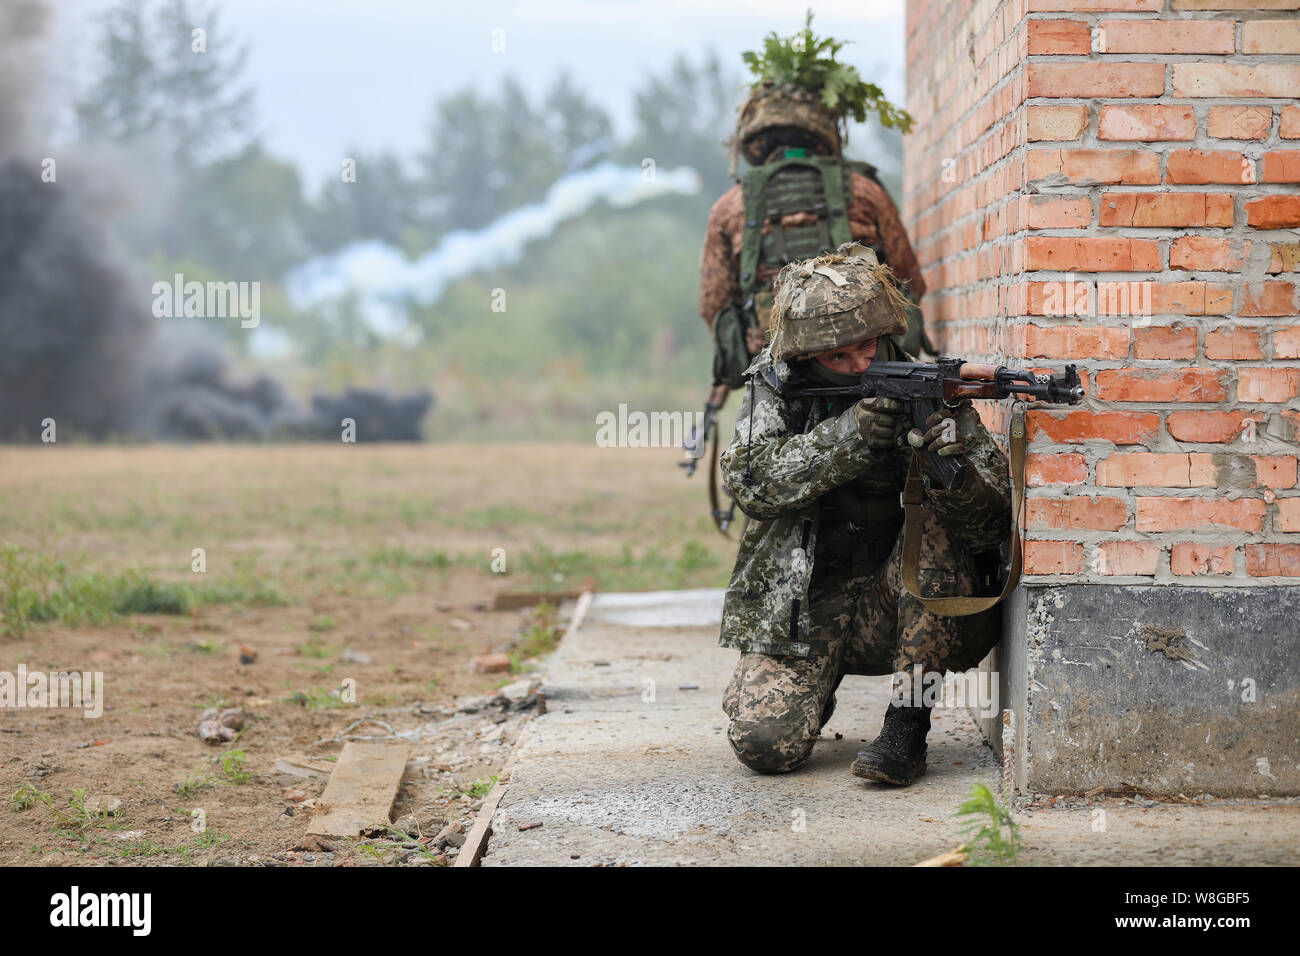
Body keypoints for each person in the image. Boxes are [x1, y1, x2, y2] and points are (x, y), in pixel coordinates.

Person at [718, 242, 1011, 786]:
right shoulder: (780, 387)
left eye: (870, 347)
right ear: (807, 356)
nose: (862, 365)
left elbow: (994, 525)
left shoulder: (930, 388)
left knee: (938, 525)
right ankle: (812, 685)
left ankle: (906, 730)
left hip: (908, 603)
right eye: (840, 358)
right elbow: (750, 483)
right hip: (807, 606)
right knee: (766, 745)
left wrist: (953, 473)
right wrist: (847, 437)